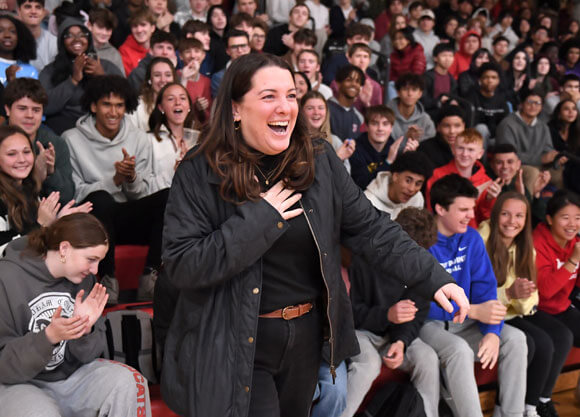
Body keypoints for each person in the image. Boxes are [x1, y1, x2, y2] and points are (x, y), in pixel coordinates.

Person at [158, 52, 469, 417]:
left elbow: (371, 228)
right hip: (235, 343)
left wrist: (432, 277)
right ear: (236, 110)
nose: (285, 107)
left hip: (304, 340)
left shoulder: (318, 159)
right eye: (269, 96)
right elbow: (182, 265)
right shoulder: (199, 170)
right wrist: (260, 219)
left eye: (291, 96)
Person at [0, 213, 152, 417]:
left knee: (131, 383)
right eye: (91, 259)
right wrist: (48, 338)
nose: (95, 270)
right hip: (18, 383)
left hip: (70, 378)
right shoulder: (7, 278)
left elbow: (87, 357)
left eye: (99, 261)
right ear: (64, 249)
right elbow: (4, 367)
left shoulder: (83, 279)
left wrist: (85, 330)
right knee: (39, 412)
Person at [419, 174, 527, 417]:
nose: (471, 215)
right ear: (439, 208)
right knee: (459, 350)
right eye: (463, 209)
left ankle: (512, 414)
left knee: (516, 339)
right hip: (429, 323)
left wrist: (492, 332)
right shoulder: (421, 240)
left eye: (472, 208)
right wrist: (472, 310)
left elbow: (486, 291)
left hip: (465, 320)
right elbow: (418, 304)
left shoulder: (472, 237)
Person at [62, 75, 169, 304]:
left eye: (119, 105)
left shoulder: (139, 139)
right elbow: (77, 195)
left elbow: (143, 194)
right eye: (106, 104)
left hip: (128, 217)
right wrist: (115, 180)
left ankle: (150, 277)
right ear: (93, 106)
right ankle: (107, 279)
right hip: (94, 219)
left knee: (169, 196)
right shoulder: (71, 139)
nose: (113, 112)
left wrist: (130, 178)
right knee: (100, 198)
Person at [479, 192, 574, 417]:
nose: (512, 221)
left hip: (513, 312)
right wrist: (511, 293)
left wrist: (518, 297)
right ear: (495, 215)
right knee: (532, 342)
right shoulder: (481, 240)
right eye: (505, 214)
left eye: (519, 216)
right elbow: (477, 294)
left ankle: (532, 406)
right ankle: (506, 407)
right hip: (486, 312)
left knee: (559, 337)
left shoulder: (525, 248)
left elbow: (529, 303)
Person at [342, 207, 441, 417]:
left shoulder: (421, 264)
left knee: (427, 358)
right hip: (362, 331)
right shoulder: (363, 259)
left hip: (394, 336)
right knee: (368, 365)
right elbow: (350, 315)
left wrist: (401, 341)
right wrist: (387, 315)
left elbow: (418, 312)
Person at [0, 125, 90, 252]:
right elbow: (5, 253)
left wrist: (58, 222)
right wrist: (42, 225)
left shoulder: (28, 189)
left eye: (26, 152)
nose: (22, 159)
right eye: (11, 154)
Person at [39, 18, 123, 135]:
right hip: (63, 130)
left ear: (89, 39)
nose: (77, 39)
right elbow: (45, 106)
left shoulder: (106, 66)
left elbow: (125, 101)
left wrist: (101, 76)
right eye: (69, 36)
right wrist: (73, 80)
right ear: (60, 41)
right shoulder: (51, 71)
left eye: (82, 35)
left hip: (102, 127)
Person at [4, 78, 74, 205]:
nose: (30, 115)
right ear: (8, 110)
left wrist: (50, 174)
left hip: (47, 214)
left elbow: (67, 197)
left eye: (36, 110)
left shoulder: (55, 143)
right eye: (22, 108)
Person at [426, 128, 497, 227]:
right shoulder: (438, 175)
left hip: (471, 236)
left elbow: (485, 221)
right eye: (460, 148)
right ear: (453, 149)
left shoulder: (486, 182)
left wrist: (489, 200)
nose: (465, 154)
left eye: (471, 150)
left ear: (480, 154)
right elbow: (432, 210)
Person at [148, 82, 195, 192]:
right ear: (161, 107)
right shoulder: (149, 140)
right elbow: (142, 189)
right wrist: (173, 171)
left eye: (183, 98)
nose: (178, 103)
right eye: (170, 99)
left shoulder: (198, 140)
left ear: (189, 106)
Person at [364, 151, 432, 218]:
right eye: (408, 181)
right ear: (395, 176)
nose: (411, 189)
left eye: (418, 184)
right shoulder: (368, 202)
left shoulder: (417, 198)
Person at [300, 90, 355, 173]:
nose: (316, 112)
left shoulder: (335, 142)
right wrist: (337, 158)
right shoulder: (294, 142)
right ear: (301, 112)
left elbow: (345, 182)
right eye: (310, 108)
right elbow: (305, 178)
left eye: (321, 108)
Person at [127, 57, 176, 132]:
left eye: (168, 75)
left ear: (173, 79)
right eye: (157, 75)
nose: (163, 80)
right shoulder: (136, 106)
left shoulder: (180, 105)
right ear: (149, 80)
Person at [467, 62, 510, 143]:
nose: (490, 80)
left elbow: (505, 123)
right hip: (476, 139)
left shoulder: (502, 98)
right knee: (481, 128)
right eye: (486, 77)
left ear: (498, 80)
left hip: (497, 139)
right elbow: (471, 123)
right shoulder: (472, 96)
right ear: (480, 80)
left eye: (494, 78)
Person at [387, 73, 436, 142]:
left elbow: (431, 147)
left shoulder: (425, 120)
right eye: (405, 89)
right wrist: (406, 138)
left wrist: (416, 141)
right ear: (398, 92)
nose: (410, 93)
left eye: (414, 89)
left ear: (420, 94)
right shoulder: (386, 116)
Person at [418, 103, 466, 169]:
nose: (452, 131)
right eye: (446, 126)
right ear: (438, 127)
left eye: (457, 126)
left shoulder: (471, 148)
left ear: (464, 126)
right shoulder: (425, 149)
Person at [16, 0, 58, 73]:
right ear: (19, 11)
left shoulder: (54, 42)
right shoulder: (10, 40)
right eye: (28, 7)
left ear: (44, 12)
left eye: (38, 7)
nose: (33, 11)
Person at [327, 64, 365, 142]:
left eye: (358, 81)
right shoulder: (325, 109)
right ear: (338, 83)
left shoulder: (359, 117)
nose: (354, 84)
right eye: (349, 80)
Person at [421, 42, 458, 120]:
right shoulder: (427, 77)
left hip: (446, 115)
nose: (448, 59)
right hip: (429, 114)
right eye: (444, 56)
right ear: (435, 58)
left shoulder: (452, 79)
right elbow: (422, 100)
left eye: (451, 56)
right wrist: (438, 101)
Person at [210, 29, 250, 98]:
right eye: (234, 47)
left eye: (243, 46)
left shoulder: (260, 71)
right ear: (227, 51)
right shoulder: (219, 78)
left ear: (249, 48)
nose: (239, 50)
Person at [0, 14, 38, 86]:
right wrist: (9, 81)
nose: (7, 35)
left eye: (12, 31)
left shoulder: (30, 70)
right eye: (0, 31)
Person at [86, 8, 126, 76]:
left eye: (108, 29)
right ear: (89, 26)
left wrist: (101, 74)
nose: (104, 33)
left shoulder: (114, 54)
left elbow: (121, 83)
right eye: (100, 27)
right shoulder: (80, 48)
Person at [119, 9, 157, 76]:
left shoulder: (160, 48)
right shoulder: (125, 51)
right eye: (135, 26)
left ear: (152, 28)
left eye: (143, 25)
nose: (139, 30)